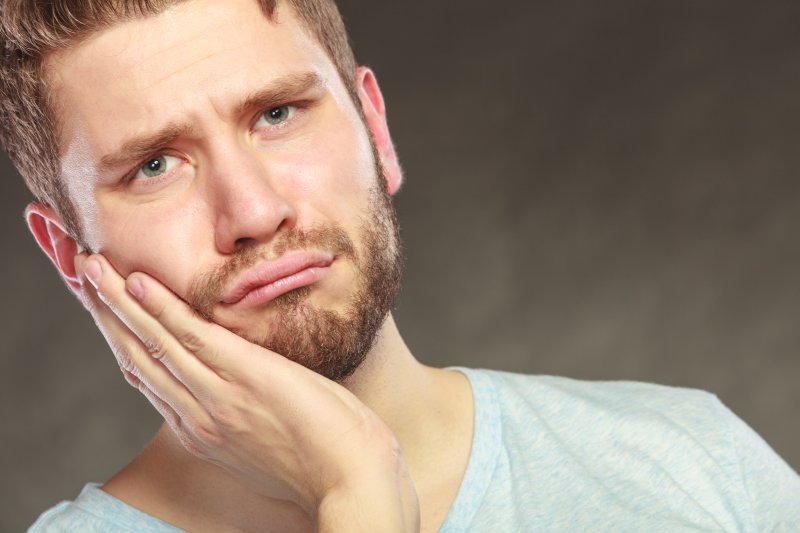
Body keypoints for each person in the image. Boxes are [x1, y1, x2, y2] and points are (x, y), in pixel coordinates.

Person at [1, 0, 797, 531]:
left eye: (277, 114)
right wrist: (356, 484)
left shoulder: (693, 455)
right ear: (73, 257)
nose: (253, 212)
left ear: (375, 130)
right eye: (154, 166)